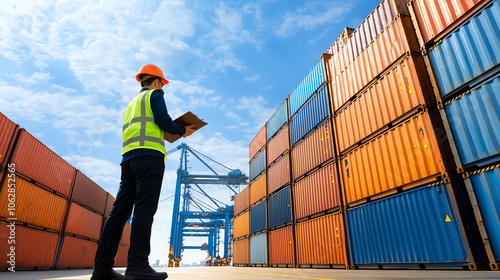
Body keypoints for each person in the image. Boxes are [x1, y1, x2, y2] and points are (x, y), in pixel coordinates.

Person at [91, 64, 196, 280]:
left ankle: (102, 269)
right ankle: (138, 266)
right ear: (157, 81)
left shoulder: (131, 104)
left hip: (128, 159)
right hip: (150, 157)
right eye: (162, 84)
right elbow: (163, 122)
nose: (162, 88)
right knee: (144, 211)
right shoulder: (155, 96)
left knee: (118, 213)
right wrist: (183, 130)